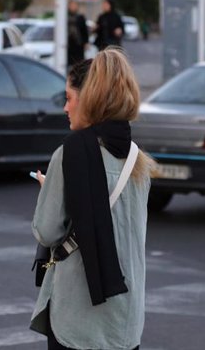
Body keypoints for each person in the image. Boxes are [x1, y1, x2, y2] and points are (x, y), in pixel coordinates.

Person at [30, 48, 154, 350]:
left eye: (70, 98)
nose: (65, 108)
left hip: (78, 317)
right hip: (125, 319)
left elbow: (48, 231)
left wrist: (52, 191)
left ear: (89, 100)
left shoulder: (69, 155)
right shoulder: (138, 160)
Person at [67, 0, 89, 67]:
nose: (73, 7)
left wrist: (86, 42)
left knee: (79, 62)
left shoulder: (80, 17)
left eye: (74, 5)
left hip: (78, 44)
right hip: (68, 44)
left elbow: (84, 30)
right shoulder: (65, 17)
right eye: (71, 5)